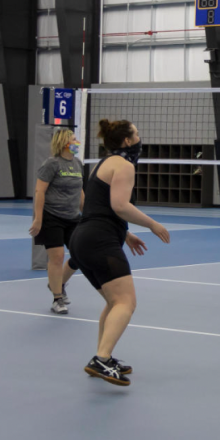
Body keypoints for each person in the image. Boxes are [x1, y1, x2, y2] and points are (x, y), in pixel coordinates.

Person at [69, 119, 170, 386]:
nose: (139, 137)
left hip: (83, 238)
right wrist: (152, 224)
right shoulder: (124, 165)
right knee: (126, 303)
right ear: (127, 141)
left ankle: (105, 355)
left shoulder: (104, 163)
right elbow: (119, 206)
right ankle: (101, 359)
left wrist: (125, 234)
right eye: (136, 134)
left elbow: (98, 206)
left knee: (114, 303)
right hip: (99, 240)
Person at [29, 129, 84, 314]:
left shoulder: (77, 164)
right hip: (52, 217)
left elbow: (80, 191)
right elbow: (40, 191)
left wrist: (88, 213)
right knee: (57, 257)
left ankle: (58, 284)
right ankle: (57, 299)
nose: (77, 142)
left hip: (73, 217)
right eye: (74, 139)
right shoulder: (51, 164)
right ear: (64, 142)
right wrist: (38, 219)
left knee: (81, 254)